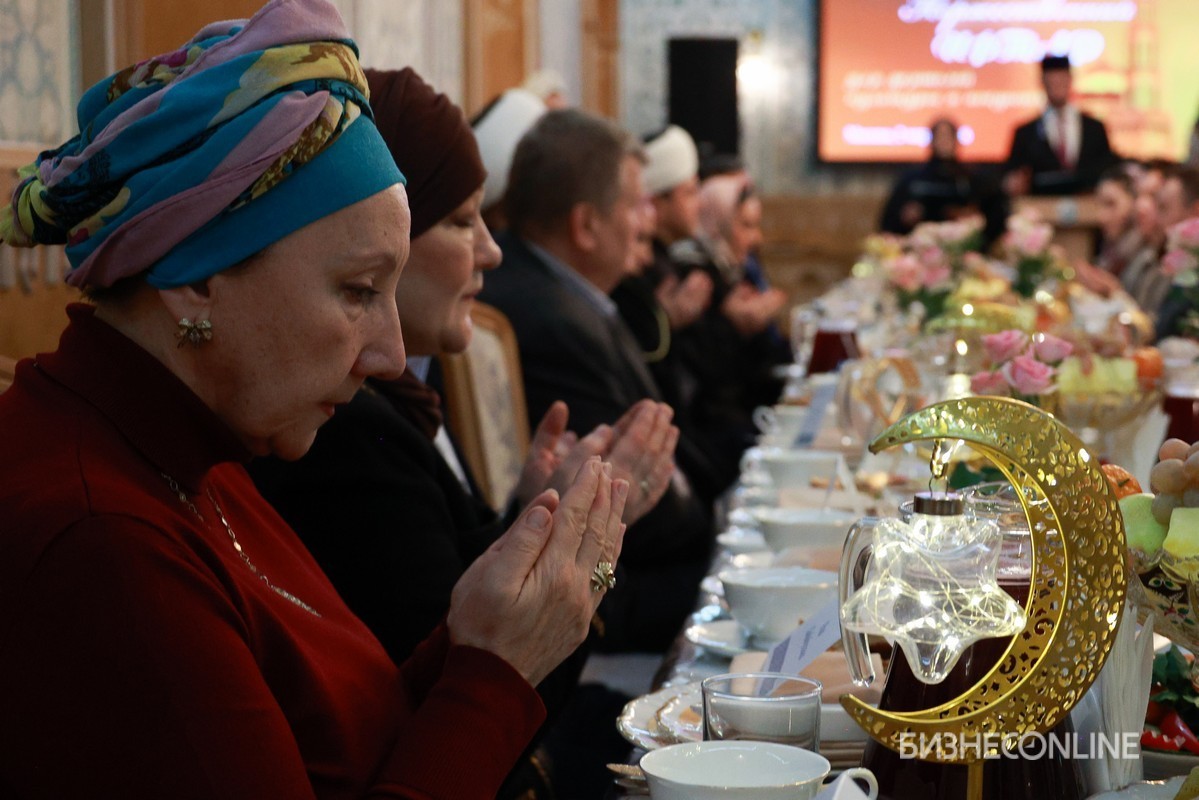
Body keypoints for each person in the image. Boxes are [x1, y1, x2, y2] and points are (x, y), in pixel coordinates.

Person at [0, 3, 626, 798]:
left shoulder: (205, 444)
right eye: (358, 290)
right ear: (194, 277)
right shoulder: (101, 541)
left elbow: (345, 739)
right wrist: (494, 673)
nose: (390, 354)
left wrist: (470, 637)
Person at [247, 67, 676, 796]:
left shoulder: (403, 398)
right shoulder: (343, 429)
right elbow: (460, 703)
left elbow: (455, 617)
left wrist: (536, 514)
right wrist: (586, 538)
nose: (492, 251)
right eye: (460, 220)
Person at [480, 109, 721, 653]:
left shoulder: (569, 297)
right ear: (586, 226)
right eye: (635, 205)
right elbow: (627, 497)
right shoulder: (552, 320)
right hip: (614, 606)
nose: (646, 221)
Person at [670, 172, 789, 465]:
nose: (756, 238)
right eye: (745, 225)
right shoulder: (694, 273)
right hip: (708, 432)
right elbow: (707, 376)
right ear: (716, 222)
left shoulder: (730, 269)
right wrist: (735, 326)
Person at [880, 117, 1008, 246]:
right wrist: (904, 218)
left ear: (956, 140)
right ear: (931, 140)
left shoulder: (971, 179)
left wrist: (971, 217)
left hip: (963, 246)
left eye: (948, 136)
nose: (944, 141)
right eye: (939, 136)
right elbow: (888, 224)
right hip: (919, 245)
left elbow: (994, 216)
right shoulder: (912, 180)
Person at [1003, 54, 1116, 197]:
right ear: (1042, 82)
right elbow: (1013, 177)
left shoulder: (1094, 129)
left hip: (1088, 204)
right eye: (1052, 80)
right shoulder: (1025, 133)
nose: (1056, 85)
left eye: (1061, 79)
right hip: (1040, 205)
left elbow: (1108, 171)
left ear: (1070, 80)